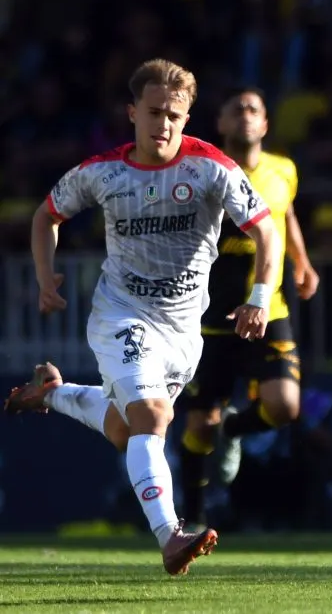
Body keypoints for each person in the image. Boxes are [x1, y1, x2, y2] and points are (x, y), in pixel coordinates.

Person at [4, 59, 281, 575]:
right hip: (121, 315)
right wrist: (46, 276)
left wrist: (261, 296)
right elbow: (47, 215)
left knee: (125, 431)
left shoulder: (212, 168)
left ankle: (52, 393)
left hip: (183, 331)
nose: (165, 125)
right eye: (154, 113)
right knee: (153, 419)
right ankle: (170, 536)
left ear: (188, 116)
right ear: (132, 113)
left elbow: (268, 231)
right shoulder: (103, 172)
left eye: (175, 115)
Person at [176, 87, 319, 529]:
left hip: (267, 307)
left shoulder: (283, 169)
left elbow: (285, 214)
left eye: (253, 109)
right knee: (199, 423)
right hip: (209, 314)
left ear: (266, 124)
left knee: (284, 406)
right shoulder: (202, 170)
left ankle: (234, 430)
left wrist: (303, 261)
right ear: (219, 123)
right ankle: (195, 520)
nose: (245, 116)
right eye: (235, 109)